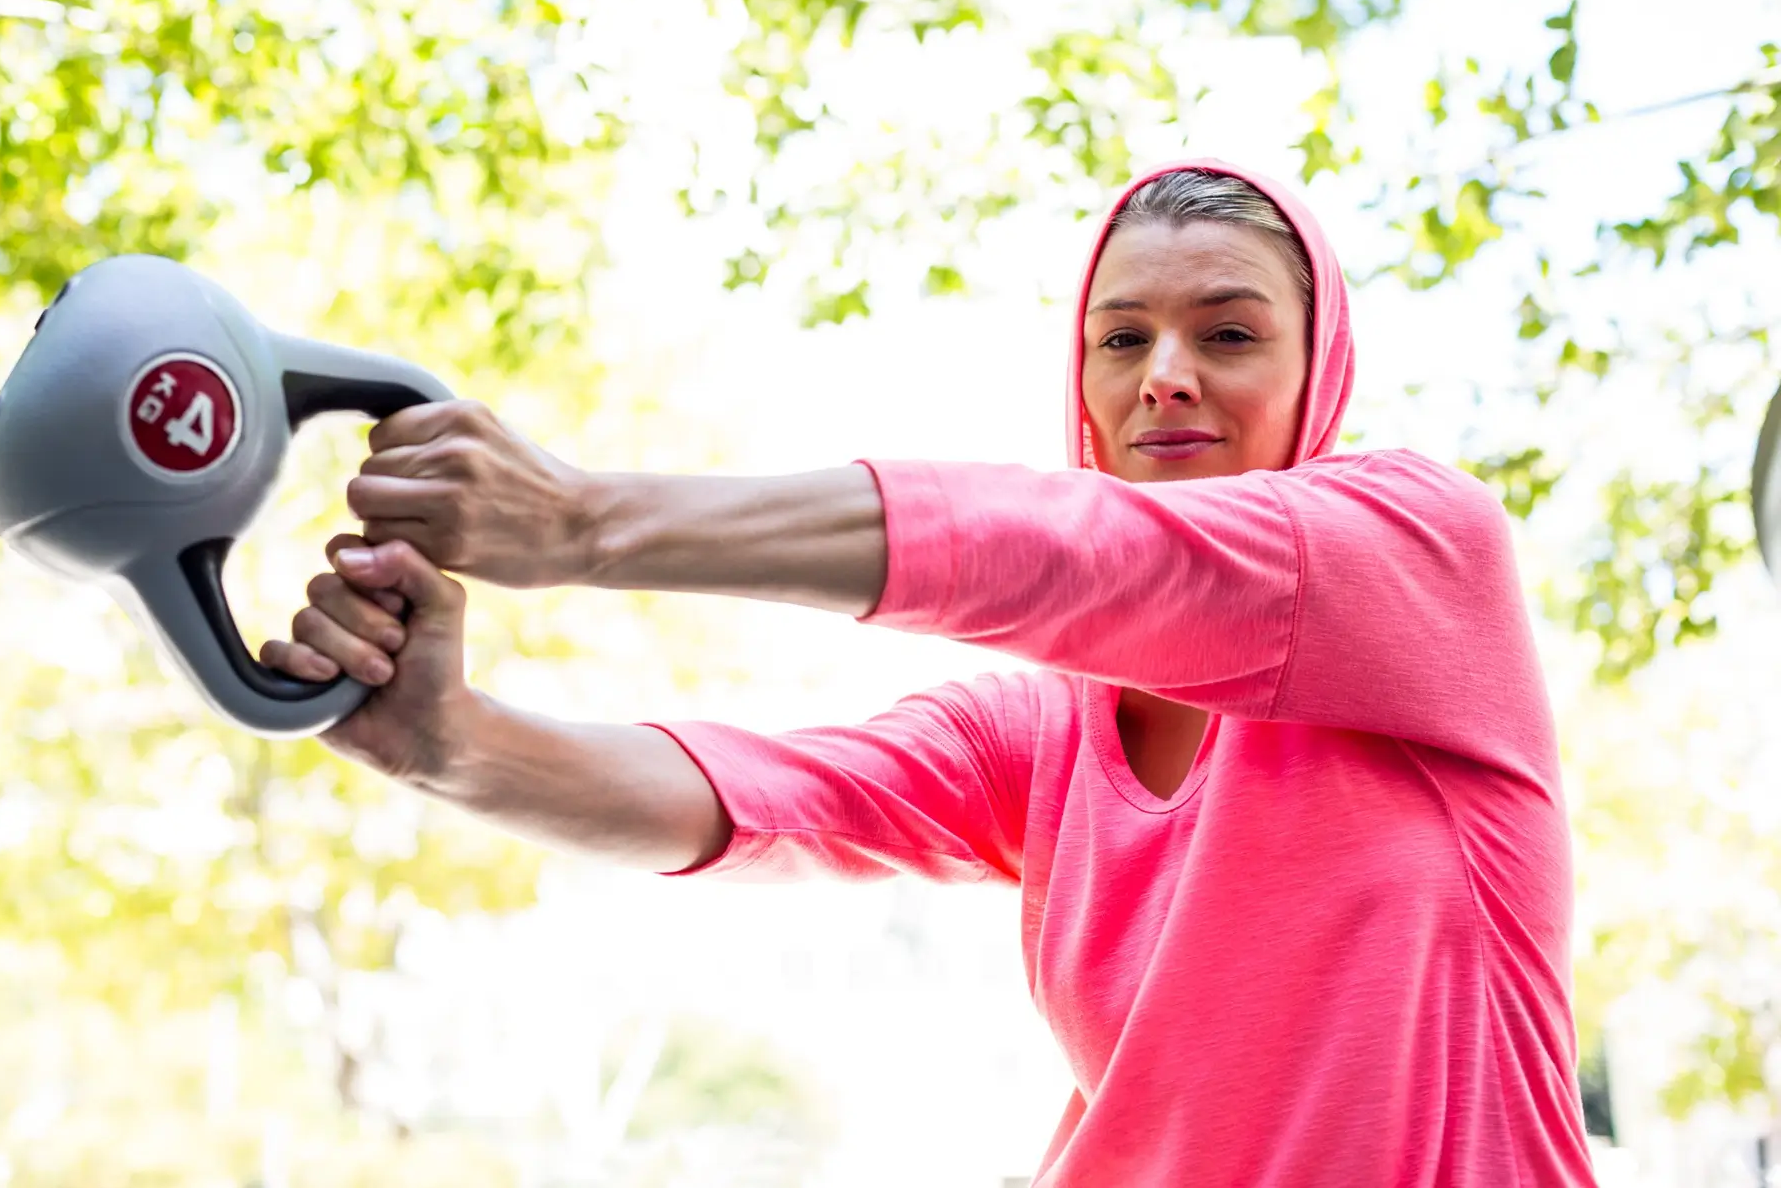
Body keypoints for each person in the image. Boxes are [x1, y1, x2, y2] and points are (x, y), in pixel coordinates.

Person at [259, 159, 1599, 1186]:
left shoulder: (1422, 551)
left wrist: (588, 524)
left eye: (1230, 335)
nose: (1165, 379)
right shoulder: (1047, 726)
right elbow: (780, 798)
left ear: (1320, 372)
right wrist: (452, 743)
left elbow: (1095, 560)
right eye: (1122, 338)